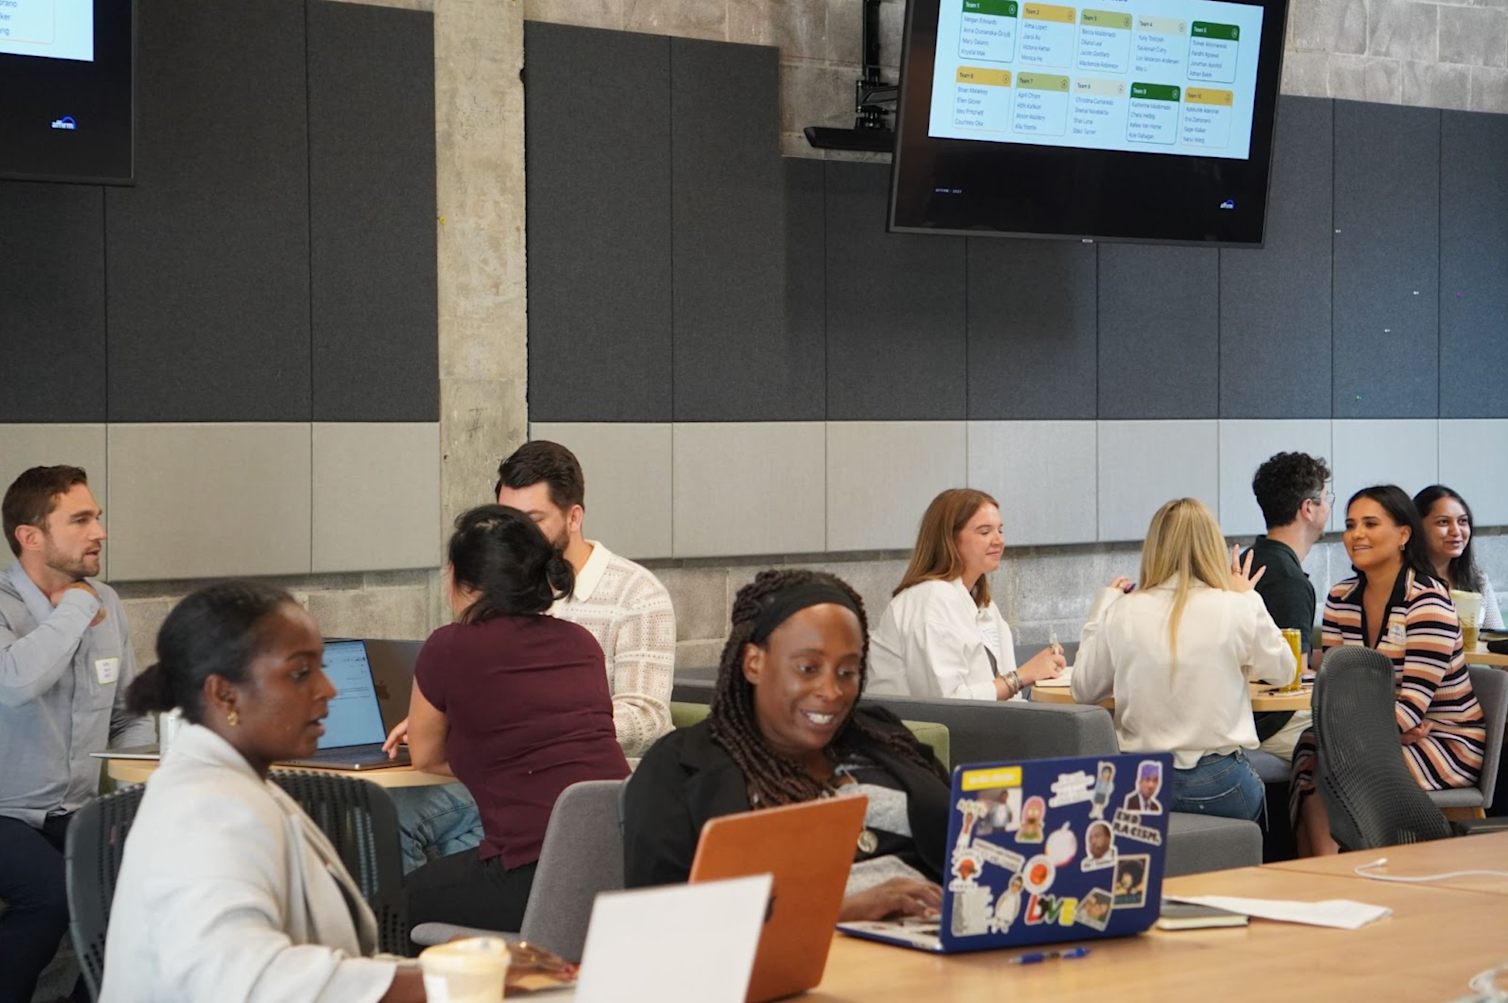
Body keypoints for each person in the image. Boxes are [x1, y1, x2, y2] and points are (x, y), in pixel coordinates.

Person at [100, 581, 424, 1003]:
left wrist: (463, 970)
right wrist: (440, 985)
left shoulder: (239, 784)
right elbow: (246, 980)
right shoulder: (204, 813)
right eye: (300, 673)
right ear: (224, 693)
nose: (329, 689)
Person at [383, 440, 675, 872]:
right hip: (503, 775)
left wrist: (538, 730)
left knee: (410, 836)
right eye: (508, 518)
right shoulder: (499, 606)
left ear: (573, 517)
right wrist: (467, 718)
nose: (517, 534)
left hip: (592, 793)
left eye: (532, 520)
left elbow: (649, 717)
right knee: (397, 818)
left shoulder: (636, 593)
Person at [623, 569, 948, 921]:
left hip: (937, 946)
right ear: (753, 663)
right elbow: (661, 923)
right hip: (809, 966)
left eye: (847, 672)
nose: (831, 691)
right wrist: (844, 910)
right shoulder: (681, 767)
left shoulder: (883, 738)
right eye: (809, 668)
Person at [403, 505, 630, 936]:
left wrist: (474, 742)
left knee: (389, 907)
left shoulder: (450, 646)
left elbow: (425, 755)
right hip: (621, 863)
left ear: (459, 579)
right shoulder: (581, 642)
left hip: (535, 876)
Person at [0, 466, 153, 1003]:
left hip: (78, 809)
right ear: (31, 536)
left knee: (151, 887)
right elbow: (16, 683)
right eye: (81, 520)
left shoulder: (105, 602)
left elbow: (129, 717)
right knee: (49, 896)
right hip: (5, 811)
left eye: (98, 518)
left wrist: (130, 804)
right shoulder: (9, 605)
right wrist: (77, 606)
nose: (100, 532)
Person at [1291, 485, 1487, 857]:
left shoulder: (1428, 601)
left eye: (1370, 523)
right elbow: (1339, 694)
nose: (1356, 534)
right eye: (1350, 525)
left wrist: (1362, 734)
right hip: (1384, 734)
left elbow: (1414, 706)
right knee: (1311, 756)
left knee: (1336, 769)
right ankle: (1324, 875)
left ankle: (1330, 877)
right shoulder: (1340, 598)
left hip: (1445, 740)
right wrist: (1362, 732)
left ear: (1403, 534)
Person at [1072, 498, 1292, 822]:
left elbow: (1083, 689)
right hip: (1222, 784)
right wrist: (1248, 596)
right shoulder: (1237, 606)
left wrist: (1101, 609)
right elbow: (1285, 672)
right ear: (1213, 546)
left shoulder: (1122, 611)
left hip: (1140, 784)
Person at [867, 488, 1064, 701]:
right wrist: (1023, 676)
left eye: (1000, 530)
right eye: (984, 532)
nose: (998, 540)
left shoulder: (983, 604)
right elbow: (948, 704)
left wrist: (1039, 670)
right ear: (950, 540)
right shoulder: (931, 599)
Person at [1244, 451, 1332, 760]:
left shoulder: (1248, 562)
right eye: (1326, 497)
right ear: (1308, 508)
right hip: (1270, 723)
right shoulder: (1289, 581)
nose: (1329, 506)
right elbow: (1294, 670)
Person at [1413, 485, 1504, 630]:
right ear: (1417, 526)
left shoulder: (1478, 582)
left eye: (1462, 521)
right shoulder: (1404, 582)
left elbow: (1496, 637)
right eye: (1443, 522)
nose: (1456, 531)